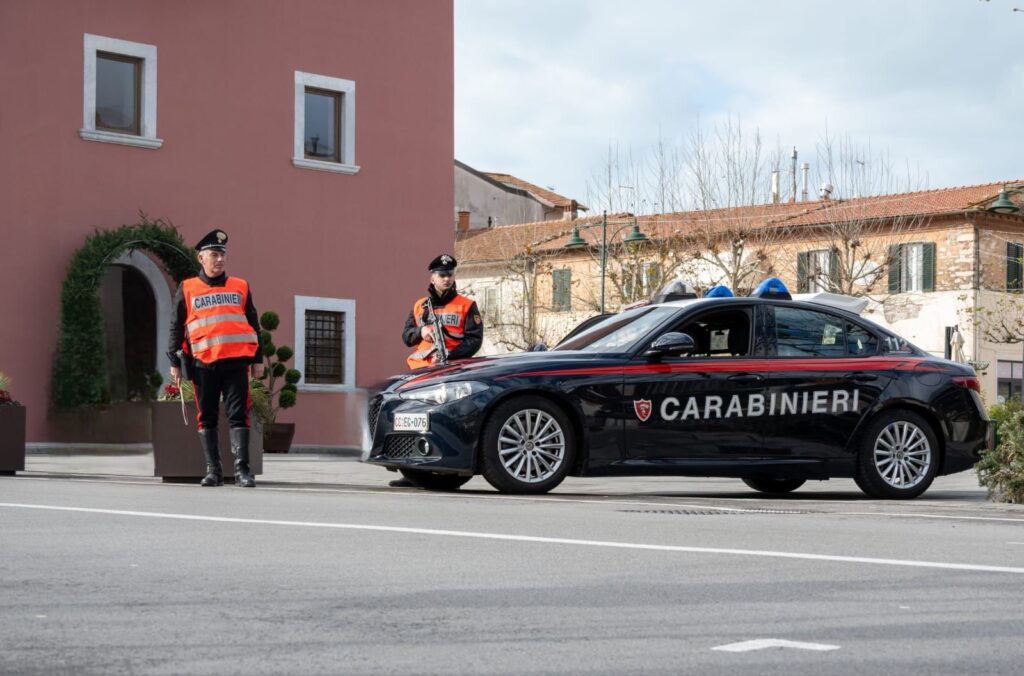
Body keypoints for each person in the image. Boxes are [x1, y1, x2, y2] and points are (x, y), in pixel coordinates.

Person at [168, 229, 265, 487]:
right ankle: (214, 471)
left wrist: (258, 360)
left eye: (222, 254)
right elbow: (176, 327)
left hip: (235, 364)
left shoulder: (240, 286)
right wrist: (174, 362)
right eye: (214, 254)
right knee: (207, 417)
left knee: (238, 415)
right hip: (203, 365)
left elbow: (254, 324)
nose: (219, 259)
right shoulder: (187, 288)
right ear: (201, 258)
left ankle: (243, 471)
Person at [391, 253, 482, 487]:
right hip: (420, 372)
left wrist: (450, 356)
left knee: (441, 421)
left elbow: (474, 340)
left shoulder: (466, 305)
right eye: (442, 275)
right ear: (432, 277)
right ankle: (410, 471)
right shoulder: (419, 306)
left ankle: (441, 468)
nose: (446, 279)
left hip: (450, 371)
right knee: (412, 421)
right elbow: (405, 336)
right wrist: (421, 332)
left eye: (449, 275)